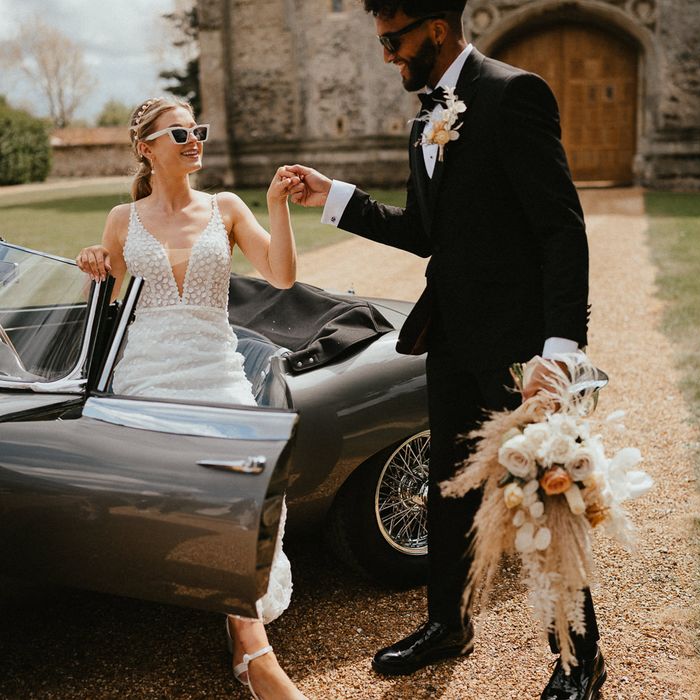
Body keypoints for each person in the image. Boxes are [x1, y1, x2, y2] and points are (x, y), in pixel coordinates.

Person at [287, 2, 604, 698]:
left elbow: (561, 230)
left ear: (435, 26)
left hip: (524, 354)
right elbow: (429, 233)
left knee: (544, 498)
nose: (385, 54)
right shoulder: (425, 119)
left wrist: (558, 351)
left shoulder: (513, 94)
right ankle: (448, 624)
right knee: (448, 491)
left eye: (393, 39)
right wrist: (334, 197)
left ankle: (580, 659)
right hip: (451, 342)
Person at [76, 96, 308, 700]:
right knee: (202, 493)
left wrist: (276, 205)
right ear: (146, 147)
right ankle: (255, 652)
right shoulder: (122, 219)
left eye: (198, 130)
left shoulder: (226, 208)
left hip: (216, 370)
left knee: (246, 486)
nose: (194, 139)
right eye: (180, 132)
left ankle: (248, 639)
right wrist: (94, 265)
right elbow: (98, 306)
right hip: (147, 378)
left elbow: (281, 275)